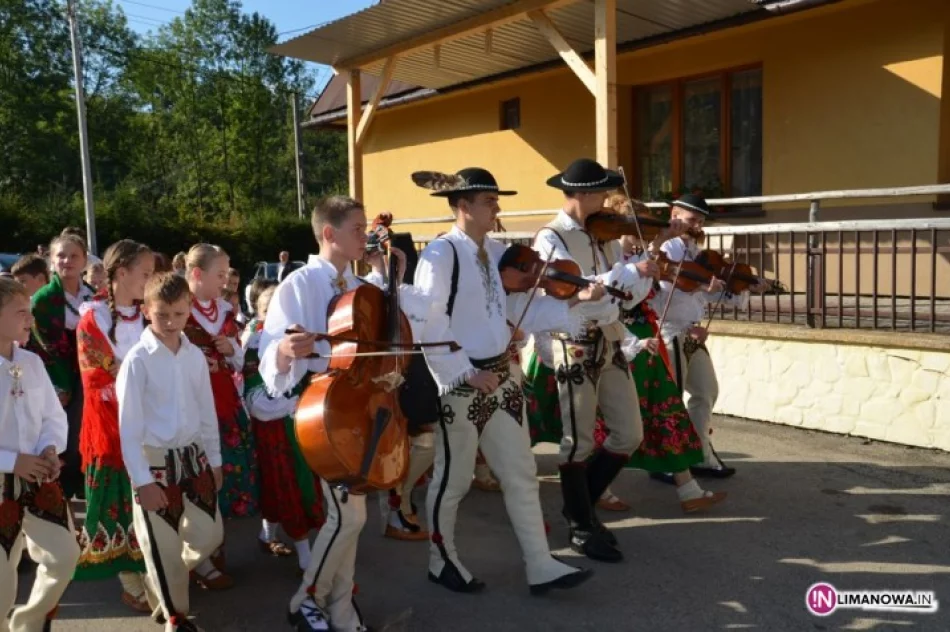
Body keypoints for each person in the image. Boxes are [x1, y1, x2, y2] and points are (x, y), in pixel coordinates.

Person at [412, 167, 610, 596]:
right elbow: (428, 323)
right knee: (454, 480)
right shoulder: (440, 255)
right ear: (463, 206)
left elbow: (523, 309)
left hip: (502, 377)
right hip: (462, 383)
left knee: (521, 473)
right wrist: (466, 372)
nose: (497, 207)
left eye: (495, 200)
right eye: (489, 201)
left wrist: (575, 300)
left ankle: (540, 564)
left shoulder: (500, 251)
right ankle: (440, 560)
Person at [259, 195, 426, 632]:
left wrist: (390, 282)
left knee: (351, 516)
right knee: (349, 516)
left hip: (362, 406)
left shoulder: (360, 286)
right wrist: (283, 350)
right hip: (325, 409)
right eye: (357, 229)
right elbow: (270, 349)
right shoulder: (298, 284)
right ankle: (307, 599)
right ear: (329, 233)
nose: (365, 236)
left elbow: (384, 344)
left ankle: (340, 608)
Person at [530, 158, 655, 564]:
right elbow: (574, 291)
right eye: (601, 191)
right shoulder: (551, 238)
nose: (606, 199)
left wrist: (642, 275)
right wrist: (626, 274)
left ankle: (580, 505)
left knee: (629, 433)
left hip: (610, 339)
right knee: (578, 440)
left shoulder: (605, 236)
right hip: (574, 342)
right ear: (583, 193)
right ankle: (582, 525)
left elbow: (622, 298)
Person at [117, 272, 224, 632]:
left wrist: (215, 460)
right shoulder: (137, 360)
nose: (170, 322)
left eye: (178, 314)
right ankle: (175, 617)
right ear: (146, 310)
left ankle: (159, 579)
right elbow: (129, 428)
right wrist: (142, 481)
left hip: (194, 458)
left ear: (189, 310)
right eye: (161, 314)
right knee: (162, 548)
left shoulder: (194, 357)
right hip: (154, 462)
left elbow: (206, 410)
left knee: (210, 534)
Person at [649, 193, 769, 480]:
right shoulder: (663, 247)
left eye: (701, 221)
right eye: (692, 219)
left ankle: (699, 454)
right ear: (674, 214)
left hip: (692, 331)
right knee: (671, 398)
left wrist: (744, 286)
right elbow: (660, 289)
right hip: (669, 330)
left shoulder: (697, 251)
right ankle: (665, 462)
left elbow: (711, 291)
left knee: (706, 392)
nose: (698, 225)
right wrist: (701, 287)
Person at [74, 240, 156, 611]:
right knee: (116, 502)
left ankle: (154, 574)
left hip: (150, 421)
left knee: (149, 500)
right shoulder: (93, 318)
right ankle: (131, 582)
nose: (150, 280)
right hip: (110, 426)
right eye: (145, 273)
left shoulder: (150, 313)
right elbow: (97, 377)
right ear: (121, 273)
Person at [0, 277, 81, 632]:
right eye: (21, 312)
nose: (29, 320)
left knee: (65, 555)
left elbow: (53, 416)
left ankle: (28, 623)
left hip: (37, 477)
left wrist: (50, 446)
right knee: (1, 584)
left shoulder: (31, 361)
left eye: (29, 311)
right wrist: (11, 461)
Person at [183, 244, 258, 587]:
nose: (226, 281)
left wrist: (233, 350)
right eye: (220, 274)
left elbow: (240, 360)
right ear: (197, 274)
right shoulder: (177, 310)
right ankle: (198, 558)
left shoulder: (226, 310)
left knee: (223, 478)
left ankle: (214, 552)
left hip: (225, 404)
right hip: (192, 406)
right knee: (197, 480)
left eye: (227, 274)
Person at [241, 284, 324, 572]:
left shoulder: (295, 337)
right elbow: (256, 401)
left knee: (296, 483)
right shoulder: (253, 344)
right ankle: (305, 555)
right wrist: (290, 405)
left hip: (299, 424)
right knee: (283, 484)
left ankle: (267, 535)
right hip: (273, 430)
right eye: (268, 311)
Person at [28, 230, 96, 500]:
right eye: (61, 256)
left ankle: (85, 480)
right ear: (51, 260)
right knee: (63, 431)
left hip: (91, 374)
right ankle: (61, 487)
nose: (67, 261)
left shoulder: (94, 296)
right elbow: (44, 345)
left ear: (85, 261)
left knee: (87, 428)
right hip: (58, 375)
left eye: (74, 256)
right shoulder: (43, 299)